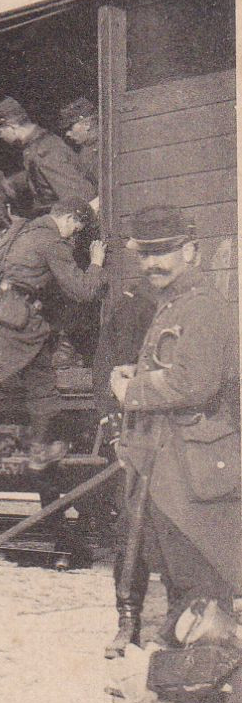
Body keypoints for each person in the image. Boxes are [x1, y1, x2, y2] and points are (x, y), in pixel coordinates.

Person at [110, 205, 241, 644]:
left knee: (199, 576)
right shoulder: (175, 305)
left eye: (162, 252)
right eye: (144, 255)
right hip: (168, 461)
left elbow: (193, 384)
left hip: (191, 467)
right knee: (171, 566)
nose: (151, 264)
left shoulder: (203, 307)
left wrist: (132, 390)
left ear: (192, 252)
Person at [0, 198, 106, 470]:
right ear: (71, 218)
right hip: (13, 316)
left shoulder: (23, 231)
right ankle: (39, 448)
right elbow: (82, 290)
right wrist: (96, 263)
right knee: (41, 373)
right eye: (77, 228)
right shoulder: (51, 242)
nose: (76, 234)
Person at [0, 96, 96, 212]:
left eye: (0, 132)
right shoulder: (39, 143)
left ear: (11, 126)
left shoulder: (43, 153)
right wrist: (16, 181)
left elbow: (80, 198)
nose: (0, 137)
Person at [57, 97, 100, 186]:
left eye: (70, 127)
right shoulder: (85, 153)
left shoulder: (106, 144)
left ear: (86, 124)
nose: (67, 134)